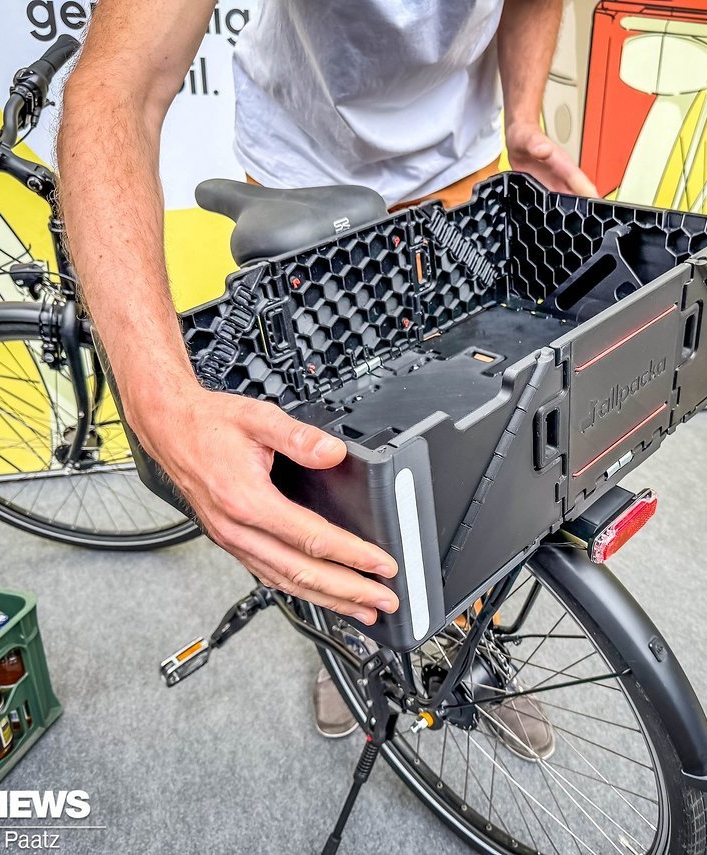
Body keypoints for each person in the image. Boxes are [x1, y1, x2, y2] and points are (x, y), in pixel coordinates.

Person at [57, 0, 595, 752]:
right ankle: (348, 638)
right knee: (334, 423)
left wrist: (525, 117)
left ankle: (471, 635)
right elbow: (117, 86)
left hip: (455, 151)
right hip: (307, 156)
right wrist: (164, 402)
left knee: (472, 422)